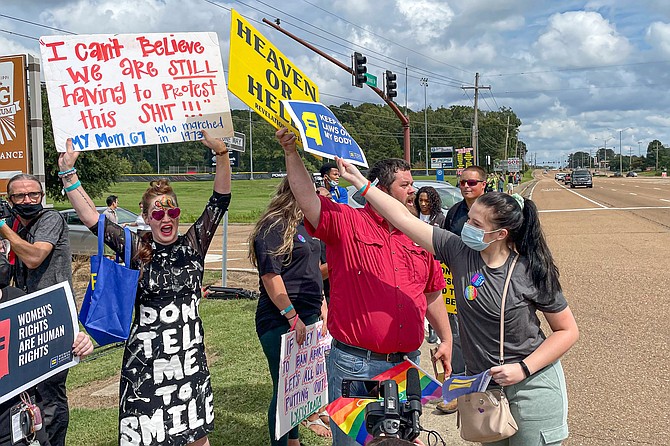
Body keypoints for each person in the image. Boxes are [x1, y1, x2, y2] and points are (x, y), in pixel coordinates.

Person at [338, 159, 580, 446]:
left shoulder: (531, 271)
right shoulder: (459, 252)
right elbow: (403, 219)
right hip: (485, 391)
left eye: (476, 224)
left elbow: (568, 332)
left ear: (500, 234)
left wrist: (523, 369)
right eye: (469, 219)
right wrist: (361, 183)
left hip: (530, 387)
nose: (467, 226)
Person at [275, 128, 452, 446]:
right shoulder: (347, 221)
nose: (413, 191)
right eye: (405, 185)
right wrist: (291, 152)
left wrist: (447, 338)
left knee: (401, 440)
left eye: (412, 184)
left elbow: (432, 292)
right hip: (357, 365)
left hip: (405, 364)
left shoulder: (419, 235)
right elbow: (308, 200)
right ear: (382, 189)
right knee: (357, 441)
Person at [57, 130, 231, 446]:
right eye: (158, 213)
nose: (167, 218)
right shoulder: (136, 247)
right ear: (147, 218)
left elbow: (219, 200)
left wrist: (221, 154)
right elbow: (93, 220)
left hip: (189, 360)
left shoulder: (194, 245)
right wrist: (69, 172)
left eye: (172, 211)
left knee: (197, 438)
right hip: (146, 366)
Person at [0, 173, 88, 446]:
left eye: (33, 195)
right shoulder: (16, 224)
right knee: (26, 395)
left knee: (50, 396)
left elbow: (35, 257)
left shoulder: (50, 219)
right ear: (9, 200)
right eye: (20, 196)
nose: (28, 200)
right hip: (22, 319)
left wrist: (3, 227)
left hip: (52, 318)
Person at [249, 178, 330, 445]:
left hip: (308, 314)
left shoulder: (308, 225)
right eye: (312, 193)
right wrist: (291, 316)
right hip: (279, 317)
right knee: (284, 388)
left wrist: (322, 306)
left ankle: (293, 439)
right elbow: (271, 277)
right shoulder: (274, 226)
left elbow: (314, 271)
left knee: (298, 389)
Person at [0, 248, 93, 446]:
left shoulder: (19, 299)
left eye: (1, 246)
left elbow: (51, 345)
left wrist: (80, 344)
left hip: (28, 425)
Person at [438, 165, 488, 413]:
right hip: (458, 281)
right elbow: (446, 245)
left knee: (486, 335)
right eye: (462, 183)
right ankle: (456, 388)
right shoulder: (455, 213)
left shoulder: (496, 209)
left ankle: (488, 386)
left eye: (472, 182)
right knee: (455, 334)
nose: (466, 187)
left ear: (483, 185)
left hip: (489, 281)